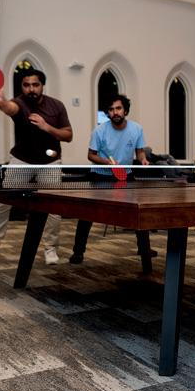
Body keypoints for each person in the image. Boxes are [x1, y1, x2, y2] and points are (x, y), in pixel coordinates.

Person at [0, 68, 73, 265]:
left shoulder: (56, 106)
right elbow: (9, 108)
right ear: (22, 87)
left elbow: (68, 135)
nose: (31, 89)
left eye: (35, 84)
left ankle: (50, 248)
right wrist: (0, 100)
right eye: (26, 85)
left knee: (53, 208)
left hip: (50, 163)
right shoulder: (20, 103)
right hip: (21, 160)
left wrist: (46, 127)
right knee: (2, 200)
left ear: (42, 85)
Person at [69, 94, 149, 264]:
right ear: (108, 113)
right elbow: (91, 155)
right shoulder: (99, 131)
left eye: (118, 108)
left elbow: (140, 151)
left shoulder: (137, 129)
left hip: (126, 174)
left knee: (138, 211)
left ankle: (144, 250)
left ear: (125, 110)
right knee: (87, 213)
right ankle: (78, 251)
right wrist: (107, 162)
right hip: (100, 175)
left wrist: (143, 160)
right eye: (111, 109)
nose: (115, 112)